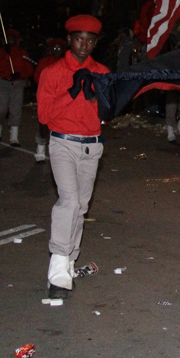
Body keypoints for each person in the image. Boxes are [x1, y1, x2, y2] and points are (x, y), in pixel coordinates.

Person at [37, 15, 109, 299]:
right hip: (62, 143)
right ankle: (57, 270)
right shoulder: (53, 72)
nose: (84, 45)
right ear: (69, 39)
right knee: (68, 201)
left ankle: (68, 262)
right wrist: (70, 92)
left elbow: (106, 114)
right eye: (79, 39)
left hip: (92, 146)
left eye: (90, 40)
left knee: (80, 206)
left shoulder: (101, 71)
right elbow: (44, 115)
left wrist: (95, 98)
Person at [0, 28, 35, 146]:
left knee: (15, 109)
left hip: (17, 83)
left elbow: (29, 68)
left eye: (12, 38)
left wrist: (21, 75)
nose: (10, 41)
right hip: (3, 83)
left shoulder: (22, 53)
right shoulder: (1, 52)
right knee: (0, 109)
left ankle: (14, 137)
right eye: (8, 38)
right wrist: (6, 55)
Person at [32, 38, 66, 163]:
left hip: (61, 99)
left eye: (59, 48)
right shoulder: (45, 62)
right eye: (54, 48)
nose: (56, 51)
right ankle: (40, 151)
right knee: (43, 123)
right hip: (46, 97)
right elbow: (37, 75)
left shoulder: (66, 63)